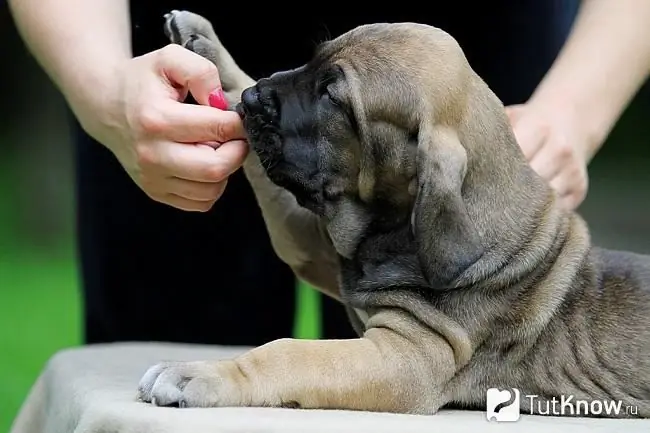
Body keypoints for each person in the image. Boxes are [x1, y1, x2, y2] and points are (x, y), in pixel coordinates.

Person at [7, 0, 650, 346]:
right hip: (174, 55)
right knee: (170, 371)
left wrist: (573, 110)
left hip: (476, 53)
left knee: (470, 370)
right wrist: (102, 90)